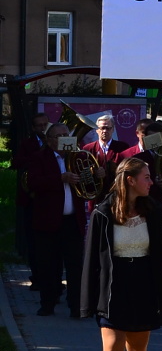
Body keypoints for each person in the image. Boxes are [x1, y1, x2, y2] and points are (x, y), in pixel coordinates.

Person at [82, 158, 162, 351]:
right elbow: (91, 258)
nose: (151, 182)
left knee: (138, 348)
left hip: (143, 283)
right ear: (130, 180)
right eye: (146, 177)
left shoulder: (153, 210)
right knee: (112, 347)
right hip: (113, 286)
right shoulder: (103, 212)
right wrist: (87, 300)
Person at [27, 123, 86, 317]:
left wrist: (96, 174)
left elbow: (88, 185)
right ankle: (48, 304)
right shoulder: (39, 157)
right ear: (50, 140)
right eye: (58, 136)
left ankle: (76, 307)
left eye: (65, 134)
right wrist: (60, 178)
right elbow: (33, 183)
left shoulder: (78, 157)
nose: (63, 139)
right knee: (48, 265)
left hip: (72, 221)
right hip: (48, 221)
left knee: (75, 266)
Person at [12, 110, 50, 291]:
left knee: (51, 242)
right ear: (33, 128)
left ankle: (52, 278)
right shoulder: (27, 144)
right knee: (33, 241)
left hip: (51, 198)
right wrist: (37, 156)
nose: (43, 128)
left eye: (45, 125)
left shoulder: (56, 142)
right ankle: (36, 278)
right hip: (32, 198)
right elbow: (16, 162)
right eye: (39, 126)